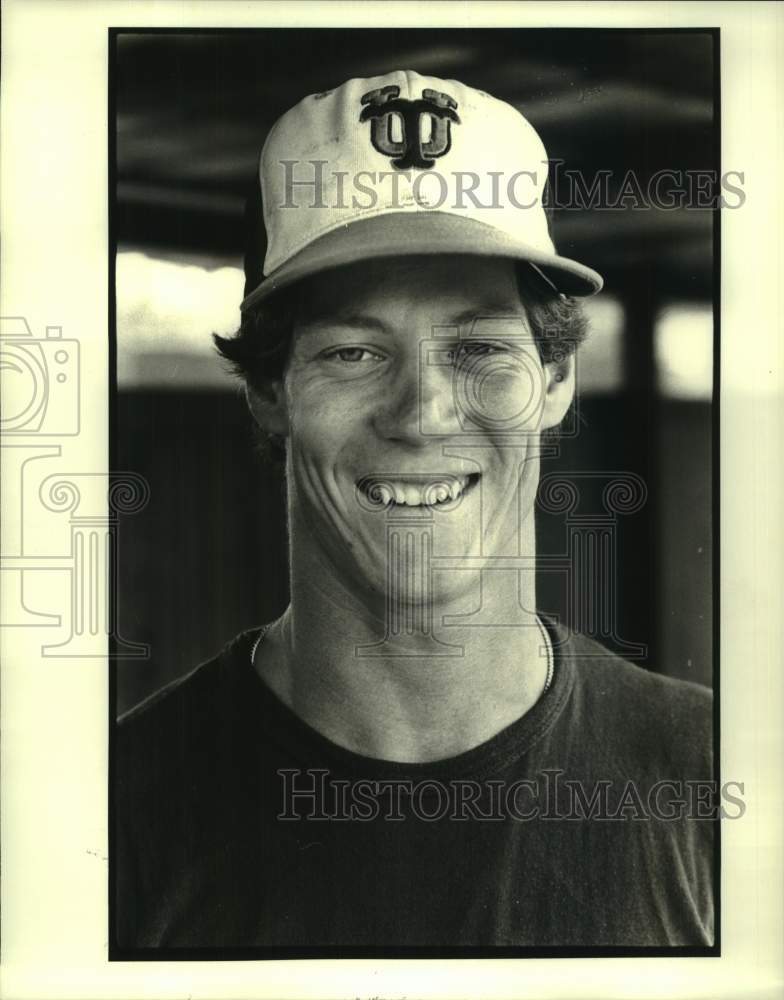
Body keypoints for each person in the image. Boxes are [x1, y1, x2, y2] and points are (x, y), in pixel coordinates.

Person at [115, 70, 714, 950]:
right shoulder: (105, 814)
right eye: (354, 351)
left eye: (477, 346)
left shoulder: (715, 781)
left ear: (555, 382)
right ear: (267, 393)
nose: (424, 412)